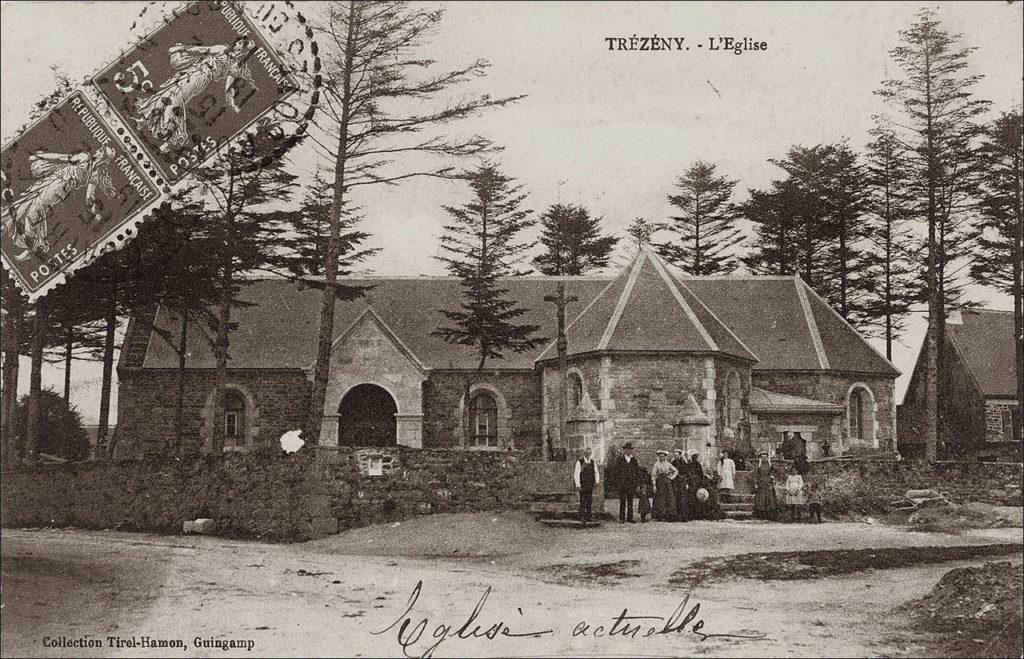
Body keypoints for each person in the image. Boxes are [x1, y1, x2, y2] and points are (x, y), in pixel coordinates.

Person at [613, 442, 644, 523]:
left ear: (631, 450)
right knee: (622, 501)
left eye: (630, 449)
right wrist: (618, 482)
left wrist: (637, 483)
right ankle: (622, 518)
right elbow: (616, 471)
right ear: (624, 450)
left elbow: (637, 472)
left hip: (631, 483)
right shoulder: (620, 459)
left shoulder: (633, 460)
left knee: (630, 501)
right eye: (627, 449)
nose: (628, 451)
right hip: (622, 483)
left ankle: (630, 517)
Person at [650, 450, 679, 521]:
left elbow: (676, 470)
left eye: (663, 456)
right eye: (660, 456)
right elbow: (654, 475)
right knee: (660, 498)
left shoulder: (668, 464)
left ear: (665, 457)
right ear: (658, 457)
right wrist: (654, 485)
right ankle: (660, 515)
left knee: (669, 497)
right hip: (659, 481)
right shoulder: (656, 464)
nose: (661, 458)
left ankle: (670, 514)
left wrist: (671, 477)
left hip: (667, 482)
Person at [573, 446, 600, 522]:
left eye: (589, 452)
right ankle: (582, 516)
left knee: (589, 500)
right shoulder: (579, 462)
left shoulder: (592, 462)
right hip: (583, 484)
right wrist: (578, 485)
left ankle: (588, 516)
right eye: (586, 452)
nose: (588, 454)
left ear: (590, 453)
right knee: (582, 500)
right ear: (584, 453)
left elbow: (596, 472)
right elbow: (576, 474)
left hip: (590, 484)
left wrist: (597, 481)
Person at [752, 452, 778, 521]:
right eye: (762, 457)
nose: (764, 458)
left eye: (765, 457)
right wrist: (755, 483)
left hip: (768, 482)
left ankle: (769, 515)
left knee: (769, 498)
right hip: (761, 483)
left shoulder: (770, 465)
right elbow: (755, 474)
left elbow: (774, 472)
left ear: (767, 458)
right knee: (760, 499)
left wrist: (773, 481)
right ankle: (761, 515)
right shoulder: (759, 465)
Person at [684, 449, 705, 519]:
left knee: (698, 498)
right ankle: (691, 514)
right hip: (691, 483)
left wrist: (701, 482)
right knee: (691, 498)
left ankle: (698, 514)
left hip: (697, 483)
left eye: (697, 456)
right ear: (692, 456)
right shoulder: (689, 465)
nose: (696, 457)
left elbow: (701, 474)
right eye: (694, 456)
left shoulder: (698, 464)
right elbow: (687, 474)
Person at [671, 448, 689, 521]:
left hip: (682, 482)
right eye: (674, 455)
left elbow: (686, 474)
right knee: (676, 498)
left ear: (680, 455)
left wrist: (686, 483)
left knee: (683, 499)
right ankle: (676, 516)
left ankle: (683, 516)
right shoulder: (672, 463)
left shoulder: (683, 463)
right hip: (675, 483)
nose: (676, 457)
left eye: (677, 455)